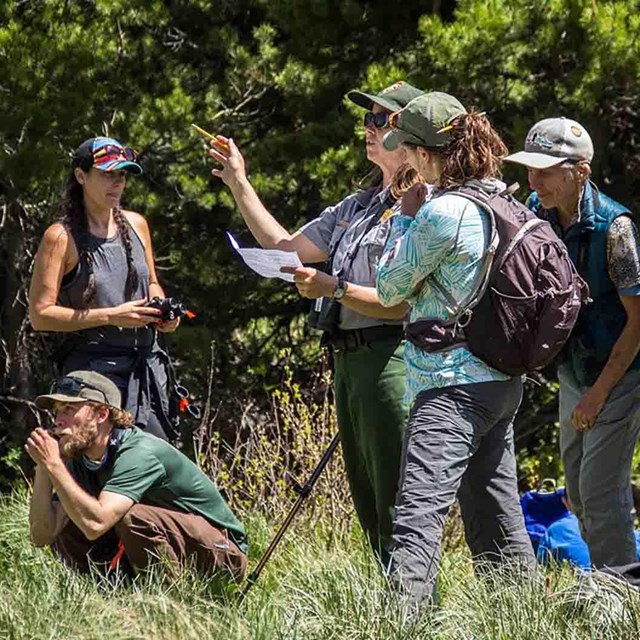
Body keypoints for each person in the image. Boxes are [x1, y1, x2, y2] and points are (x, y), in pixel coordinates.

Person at [208, 81, 424, 567]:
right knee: (367, 494)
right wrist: (239, 182)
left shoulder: (423, 204)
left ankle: (414, 605)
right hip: (348, 359)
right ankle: (388, 600)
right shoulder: (358, 204)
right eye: (365, 119)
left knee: (396, 491)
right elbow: (286, 249)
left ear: (407, 132)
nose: (366, 130)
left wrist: (335, 288)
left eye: (378, 120)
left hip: (392, 357)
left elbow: (404, 302)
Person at [376, 92, 535, 606]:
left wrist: (404, 214)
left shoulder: (442, 212)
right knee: (496, 511)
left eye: (409, 152)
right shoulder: (499, 199)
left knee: (417, 517)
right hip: (499, 381)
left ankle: (403, 623)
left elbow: (388, 287)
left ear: (425, 155)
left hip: (449, 387)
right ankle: (521, 616)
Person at [505, 117, 640, 568]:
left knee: (602, 494)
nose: (533, 179)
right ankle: (615, 580)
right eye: (529, 168)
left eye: (545, 170)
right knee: (579, 494)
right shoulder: (534, 209)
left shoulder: (615, 230)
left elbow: (638, 322)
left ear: (580, 171)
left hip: (621, 374)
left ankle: (619, 597)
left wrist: (599, 394)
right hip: (574, 372)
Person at [29, 137, 181, 442]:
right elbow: (40, 315)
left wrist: (162, 311)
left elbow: (151, 281)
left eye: (122, 175)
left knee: (156, 468)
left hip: (146, 369)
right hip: (92, 374)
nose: (117, 183)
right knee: (94, 468)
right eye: (107, 174)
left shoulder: (137, 224)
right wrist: (111, 316)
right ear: (80, 176)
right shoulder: (61, 237)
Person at [26, 370, 247, 579]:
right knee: (72, 517)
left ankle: (168, 604)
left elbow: (96, 523)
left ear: (102, 414)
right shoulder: (80, 460)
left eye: (68, 409)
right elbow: (41, 535)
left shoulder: (138, 452)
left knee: (133, 518)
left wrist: (54, 465)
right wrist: (44, 469)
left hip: (224, 554)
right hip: (173, 547)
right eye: (56, 411)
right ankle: (111, 599)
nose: (58, 420)